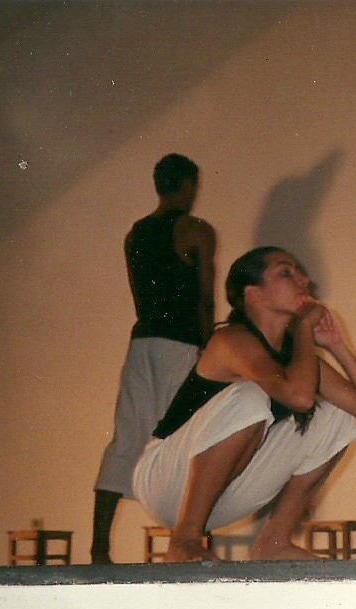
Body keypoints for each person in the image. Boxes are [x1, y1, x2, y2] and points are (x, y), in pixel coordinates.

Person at [132, 246, 356, 562]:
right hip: (166, 482)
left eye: (300, 273)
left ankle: (274, 543)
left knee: (337, 416)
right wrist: (304, 329)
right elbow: (299, 398)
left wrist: (338, 346)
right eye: (286, 273)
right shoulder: (230, 341)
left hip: (226, 493)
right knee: (251, 397)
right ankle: (185, 539)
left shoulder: (298, 359)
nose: (304, 281)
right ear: (253, 294)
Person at [92, 153, 216, 564]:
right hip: (180, 346)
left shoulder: (135, 233)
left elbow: (139, 295)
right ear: (189, 185)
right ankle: (189, 542)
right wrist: (208, 348)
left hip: (142, 342)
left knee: (126, 440)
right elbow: (203, 296)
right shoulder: (195, 230)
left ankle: (99, 547)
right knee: (189, 438)